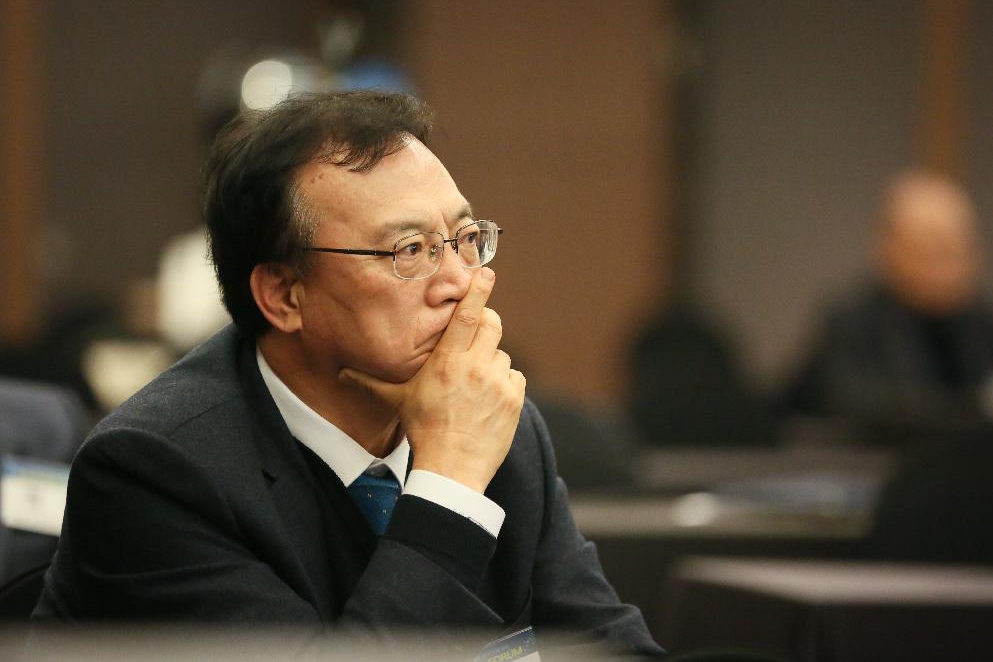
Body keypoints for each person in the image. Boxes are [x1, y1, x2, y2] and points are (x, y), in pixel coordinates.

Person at [32, 91, 661, 656]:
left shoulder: (497, 427)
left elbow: (607, 646)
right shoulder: (155, 472)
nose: (460, 282)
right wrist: (449, 485)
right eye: (409, 250)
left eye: (465, 238)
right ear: (284, 295)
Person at [786, 169, 993, 427]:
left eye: (962, 246)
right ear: (890, 248)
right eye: (935, 246)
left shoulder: (984, 325)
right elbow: (850, 404)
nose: (953, 262)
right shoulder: (852, 323)